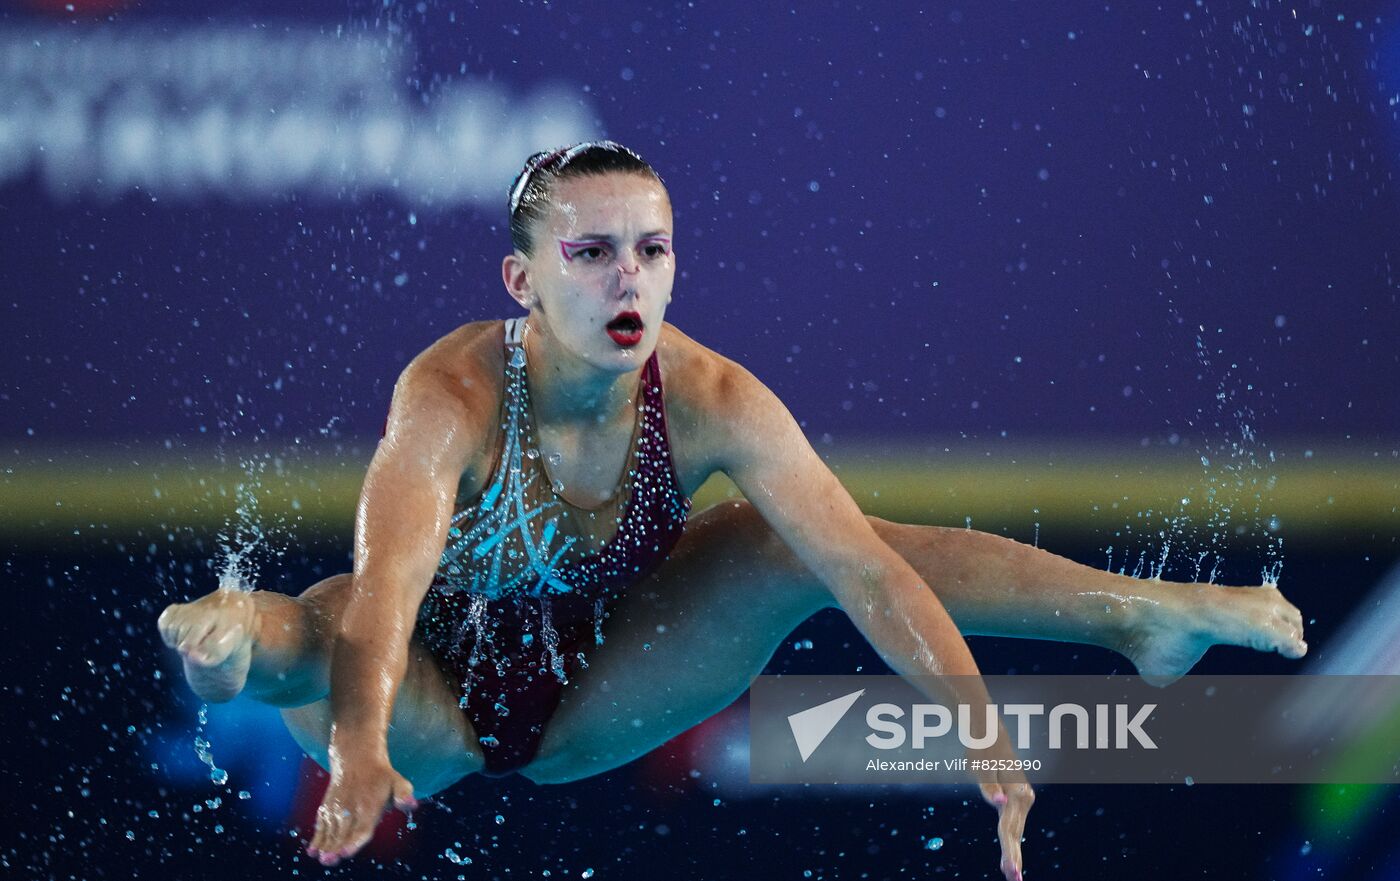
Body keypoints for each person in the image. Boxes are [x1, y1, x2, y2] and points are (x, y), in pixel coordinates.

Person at [156, 141, 1308, 880]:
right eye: (592, 251)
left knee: (792, 541)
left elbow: (865, 570)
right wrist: (358, 751)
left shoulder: (714, 400)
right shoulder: (449, 391)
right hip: (422, 686)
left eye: (650, 250)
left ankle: (1141, 614)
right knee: (303, 632)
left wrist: (976, 725)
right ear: (523, 280)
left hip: (601, 681)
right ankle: (216, 642)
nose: (627, 279)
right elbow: (395, 582)